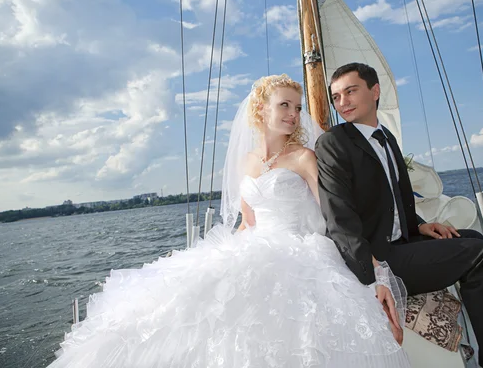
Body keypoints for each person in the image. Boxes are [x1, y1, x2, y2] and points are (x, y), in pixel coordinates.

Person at [47, 74, 412, 368]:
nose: (292, 114)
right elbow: (246, 222)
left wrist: (375, 271)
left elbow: (336, 217)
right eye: (283, 105)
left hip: (302, 249)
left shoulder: (304, 157)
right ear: (261, 109)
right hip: (254, 247)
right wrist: (220, 258)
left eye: (297, 107)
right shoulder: (247, 162)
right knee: (185, 302)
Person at [315, 62, 483, 368]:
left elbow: (394, 199)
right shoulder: (333, 143)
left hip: (401, 243)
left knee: (472, 238)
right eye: (336, 96)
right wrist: (374, 275)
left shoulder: (384, 137)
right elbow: (340, 218)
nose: (342, 102)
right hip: (377, 257)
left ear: (375, 91)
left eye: (351, 91)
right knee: (477, 255)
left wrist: (421, 225)